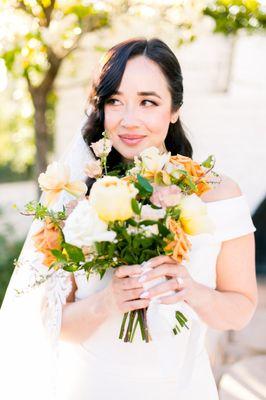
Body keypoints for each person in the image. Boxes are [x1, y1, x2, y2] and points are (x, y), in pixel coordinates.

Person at [0, 38, 257, 400]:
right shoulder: (76, 195)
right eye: (115, 101)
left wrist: (191, 290)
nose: (129, 119)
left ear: (175, 109)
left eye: (148, 102)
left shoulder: (219, 195)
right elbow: (55, 324)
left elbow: (240, 310)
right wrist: (109, 300)